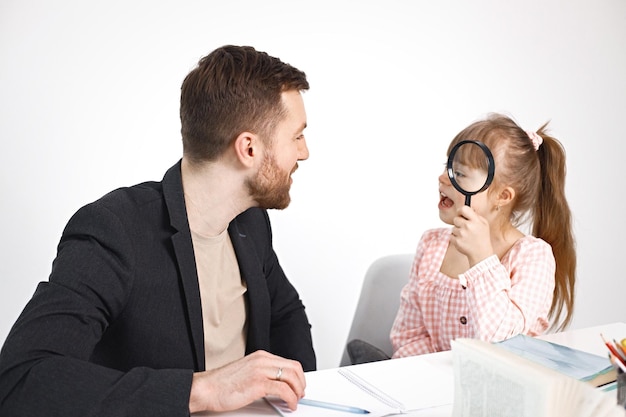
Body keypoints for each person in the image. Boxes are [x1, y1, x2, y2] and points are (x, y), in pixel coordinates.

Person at [0, 45, 316, 416]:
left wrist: (304, 398)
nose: (305, 152)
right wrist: (203, 389)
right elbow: (21, 379)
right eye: (297, 136)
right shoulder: (114, 231)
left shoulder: (251, 221)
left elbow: (285, 314)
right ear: (248, 148)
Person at [390, 113, 576, 358]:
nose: (443, 178)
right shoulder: (432, 244)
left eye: (461, 173)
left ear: (503, 197)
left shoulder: (532, 257)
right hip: (433, 388)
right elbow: (408, 336)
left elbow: (502, 344)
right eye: (448, 167)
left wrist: (482, 260)